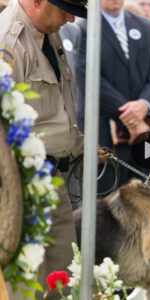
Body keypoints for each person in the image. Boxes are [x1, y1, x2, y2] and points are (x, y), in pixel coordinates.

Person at [0, 0, 101, 298]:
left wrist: (81, 144)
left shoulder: (46, 31)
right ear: (37, 1)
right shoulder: (9, 41)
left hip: (52, 180)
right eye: (64, 9)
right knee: (26, 285)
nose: (70, 19)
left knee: (59, 281)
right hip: (21, 188)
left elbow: (55, 109)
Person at [75, 0, 150, 190]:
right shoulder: (84, 28)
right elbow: (88, 76)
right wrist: (131, 115)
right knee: (107, 200)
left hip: (144, 128)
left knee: (147, 193)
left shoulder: (145, 26)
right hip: (104, 132)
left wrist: (144, 103)